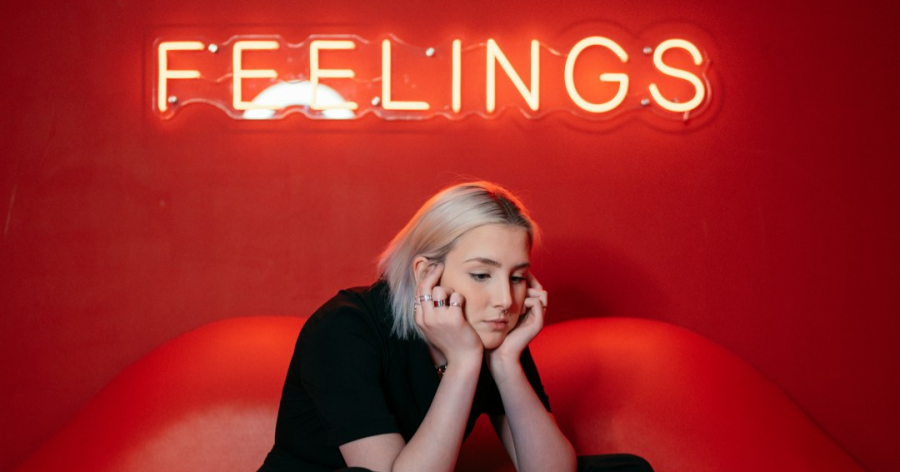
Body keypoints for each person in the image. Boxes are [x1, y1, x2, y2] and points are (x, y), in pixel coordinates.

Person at [258, 181, 652, 472]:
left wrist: (506, 362)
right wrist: (463, 362)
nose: (505, 299)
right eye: (481, 275)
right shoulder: (343, 327)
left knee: (623, 470)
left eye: (517, 277)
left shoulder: (492, 328)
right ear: (426, 274)